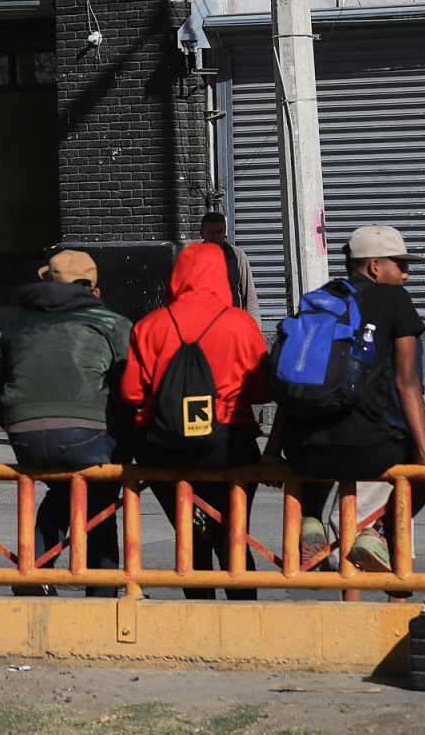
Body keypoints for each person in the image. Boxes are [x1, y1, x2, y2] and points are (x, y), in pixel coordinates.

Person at [270, 225, 425, 592]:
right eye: (399, 264)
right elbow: (407, 381)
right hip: (367, 451)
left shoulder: (318, 300)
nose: (405, 273)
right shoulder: (394, 301)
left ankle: (310, 521)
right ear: (374, 267)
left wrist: (272, 451)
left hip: (304, 454)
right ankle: (378, 533)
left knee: (324, 434)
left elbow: (294, 386)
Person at [120, 242, 270, 599]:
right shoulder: (240, 324)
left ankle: (199, 606)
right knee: (234, 532)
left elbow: (131, 394)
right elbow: (264, 389)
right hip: (230, 447)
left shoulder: (149, 326)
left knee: (190, 534)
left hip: (167, 451)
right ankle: (243, 614)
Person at [0, 249, 131, 597]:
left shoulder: (16, 324)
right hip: (88, 434)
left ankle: (36, 573)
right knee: (99, 498)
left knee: (62, 491)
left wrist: (17, 425)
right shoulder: (113, 323)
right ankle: (102, 588)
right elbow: (131, 391)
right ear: (93, 289)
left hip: (24, 436)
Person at [199, 211, 261, 327]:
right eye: (211, 233)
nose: (216, 237)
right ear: (202, 234)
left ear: (225, 233)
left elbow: (250, 300)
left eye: (219, 232)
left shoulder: (237, 256)